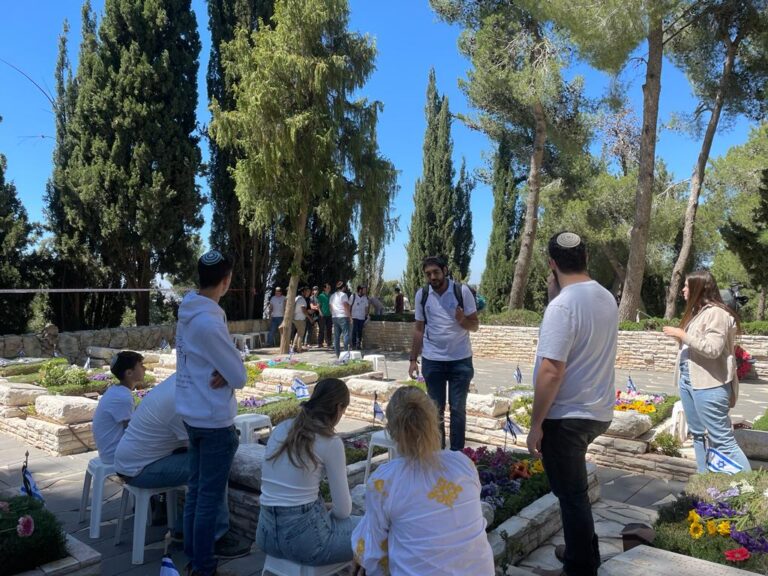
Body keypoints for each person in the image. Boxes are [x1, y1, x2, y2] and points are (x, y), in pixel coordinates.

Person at [525, 232, 617, 576]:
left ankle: (580, 566)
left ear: (552, 263)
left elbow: (551, 371)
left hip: (567, 416)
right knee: (574, 492)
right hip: (597, 410)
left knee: (572, 495)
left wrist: (536, 424)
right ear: (586, 258)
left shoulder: (562, 307)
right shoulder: (605, 296)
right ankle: (581, 551)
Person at [351, 386, 494, 575]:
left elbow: (371, 550)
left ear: (391, 431)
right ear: (434, 420)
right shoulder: (463, 464)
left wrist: (361, 559)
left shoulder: (385, 480)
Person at [114, 375, 249, 559]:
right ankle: (215, 538)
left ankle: (183, 530)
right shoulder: (181, 402)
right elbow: (201, 444)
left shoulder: (182, 381)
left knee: (211, 463)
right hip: (140, 470)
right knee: (214, 465)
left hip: (132, 462)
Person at [175, 250, 248, 576]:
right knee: (207, 498)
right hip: (213, 420)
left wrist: (224, 367)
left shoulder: (189, 313)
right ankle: (204, 567)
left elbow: (218, 364)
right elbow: (239, 376)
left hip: (193, 414)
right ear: (226, 281)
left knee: (196, 492)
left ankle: (195, 556)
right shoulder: (207, 321)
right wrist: (229, 369)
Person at [256, 378, 358, 566]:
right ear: (338, 408)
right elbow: (343, 511)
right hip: (306, 544)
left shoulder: (282, 428)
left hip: (265, 536)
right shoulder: (330, 441)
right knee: (376, 531)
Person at [662, 270, 750, 474]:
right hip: (689, 381)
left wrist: (682, 334)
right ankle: (703, 480)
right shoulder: (700, 313)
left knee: (723, 440)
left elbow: (712, 349)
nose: (683, 290)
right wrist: (682, 338)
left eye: (686, 285)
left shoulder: (717, 313)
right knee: (698, 434)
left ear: (698, 288)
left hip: (709, 385)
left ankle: (752, 488)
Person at [408, 256, 479, 451]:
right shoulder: (422, 295)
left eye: (436, 272)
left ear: (445, 270)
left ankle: (457, 455)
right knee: (434, 411)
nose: (433, 277)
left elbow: (475, 325)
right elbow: (419, 329)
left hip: (460, 361)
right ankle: (437, 454)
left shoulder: (461, 291)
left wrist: (462, 320)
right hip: (433, 361)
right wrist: (413, 359)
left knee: (458, 410)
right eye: (428, 274)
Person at [92, 351, 144, 464]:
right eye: (141, 365)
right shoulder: (122, 397)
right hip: (115, 455)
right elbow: (131, 431)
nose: (144, 368)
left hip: (109, 452)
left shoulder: (117, 391)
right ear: (129, 373)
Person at [330, 281, 352, 358]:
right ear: (343, 287)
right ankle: (346, 354)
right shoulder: (343, 295)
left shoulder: (332, 296)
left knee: (336, 337)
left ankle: (338, 354)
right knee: (346, 335)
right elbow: (346, 306)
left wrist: (334, 314)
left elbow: (330, 307)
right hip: (343, 316)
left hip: (335, 317)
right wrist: (350, 317)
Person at [350, 285, 370, 350]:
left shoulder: (365, 298)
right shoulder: (353, 296)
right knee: (354, 331)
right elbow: (349, 306)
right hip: (354, 317)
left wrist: (367, 315)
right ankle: (353, 345)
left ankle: (358, 345)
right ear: (360, 290)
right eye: (364, 290)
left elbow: (366, 307)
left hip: (362, 318)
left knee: (360, 331)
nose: (365, 291)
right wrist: (349, 316)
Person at [293, 286, 309, 353]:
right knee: (301, 335)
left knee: (298, 333)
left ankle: (294, 347)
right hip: (300, 319)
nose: (308, 293)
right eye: (306, 291)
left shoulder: (296, 298)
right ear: (303, 292)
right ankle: (299, 349)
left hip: (295, 318)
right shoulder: (302, 299)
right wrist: (310, 318)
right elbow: (303, 310)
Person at [317, 283, 333, 348]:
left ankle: (329, 343)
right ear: (324, 288)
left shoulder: (331, 295)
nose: (329, 288)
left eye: (329, 287)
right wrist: (320, 312)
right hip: (322, 315)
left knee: (329, 329)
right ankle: (320, 343)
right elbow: (318, 305)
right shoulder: (321, 295)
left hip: (329, 315)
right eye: (328, 287)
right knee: (321, 329)